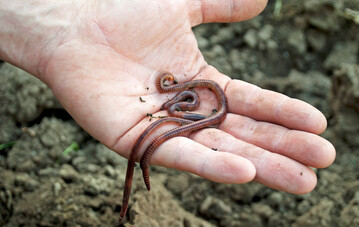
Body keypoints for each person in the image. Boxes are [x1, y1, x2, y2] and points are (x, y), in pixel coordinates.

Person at [0, 0, 335, 194]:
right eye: (175, 97)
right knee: (149, 140)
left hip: (186, 106)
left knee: (152, 139)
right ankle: (140, 173)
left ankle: (140, 173)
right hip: (183, 105)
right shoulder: (177, 96)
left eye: (175, 97)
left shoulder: (182, 98)